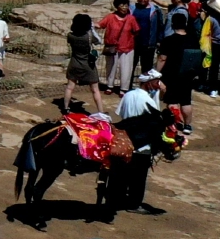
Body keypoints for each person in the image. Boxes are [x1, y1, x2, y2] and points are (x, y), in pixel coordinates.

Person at [110, 70, 168, 217]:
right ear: (149, 82)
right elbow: (155, 121)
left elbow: (121, 114)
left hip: (124, 141)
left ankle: (118, 199)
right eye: (156, 81)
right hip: (142, 143)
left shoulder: (128, 95)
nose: (158, 84)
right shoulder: (147, 102)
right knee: (139, 177)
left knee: (121, 173)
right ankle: (134, 204)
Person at [162, 13, 200, 132]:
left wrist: (156, 72)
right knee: (186, 101)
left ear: (172, 24)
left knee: (172, 101)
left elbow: (162, 58)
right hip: (187, 74)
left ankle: (175, 123)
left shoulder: (168, 40)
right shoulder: (193, 40)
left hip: (171, 74)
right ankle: (187, 126)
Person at [63, 13, 107, 115]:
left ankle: (65, 108)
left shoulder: (70, 35)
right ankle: (101, 111)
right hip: (88, 64)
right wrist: (92, 29)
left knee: (70, 87)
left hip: (74, 63)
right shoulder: (88, 36)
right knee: (95, 89)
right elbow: (99, 41)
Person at [102, 0, 139, 93]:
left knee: (126, 68)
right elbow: (101, 24)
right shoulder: (110, 17)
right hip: (112, 47)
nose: (124, 7)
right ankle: (109, 86)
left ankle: (124, 88)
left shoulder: (131, 18)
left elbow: (136, 31)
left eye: (126, 5)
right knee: (110, 67)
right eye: (122, 5)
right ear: (117, 7)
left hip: (127, 47)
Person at [133, 0, 166, 75]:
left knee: (146, 69)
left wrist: (159, 41)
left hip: (148, 45)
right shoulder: (132, 9)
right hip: (133, 44)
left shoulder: (155, 10)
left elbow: (160, 26)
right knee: (130, 68)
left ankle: (145, 87)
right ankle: (127, 87)